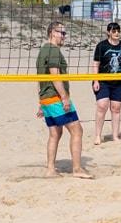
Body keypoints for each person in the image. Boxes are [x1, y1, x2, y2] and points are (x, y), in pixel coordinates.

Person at [37, 21, 91, 178]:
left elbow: (39, 79)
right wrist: (65, 98)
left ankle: (50, 170)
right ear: (52, 32)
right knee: (77, 130)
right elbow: (54, 75)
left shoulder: (42, 51)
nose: (64, 37)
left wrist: (40, 103)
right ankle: (77, 169)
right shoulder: (53, 50)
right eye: (62, 33)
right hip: (55, 98)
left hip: (46, 99)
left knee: (55, 134)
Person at [91, 21, 121, 145]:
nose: (117, 33)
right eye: (114, 31)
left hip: (119, 82)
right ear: (108, 32)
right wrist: (95, 80)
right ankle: (98, 136)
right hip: (103, 80)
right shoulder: (102, 46)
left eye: (118, 31)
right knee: (102, 105)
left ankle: (115, 136)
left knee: (116, 108)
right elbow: (96, 64)